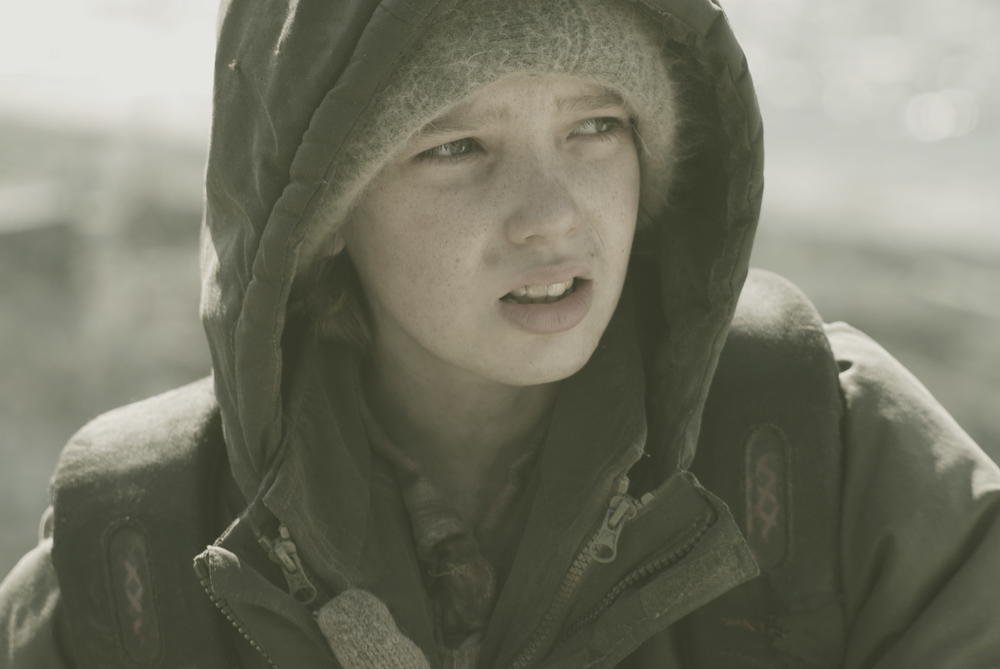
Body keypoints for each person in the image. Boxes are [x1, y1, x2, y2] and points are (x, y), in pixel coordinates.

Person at [2, 0, 998, 667]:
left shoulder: (832, 448)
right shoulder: (132, 553)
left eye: (596, 127)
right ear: (323, 218)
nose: (551, 216)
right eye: (457, 146)